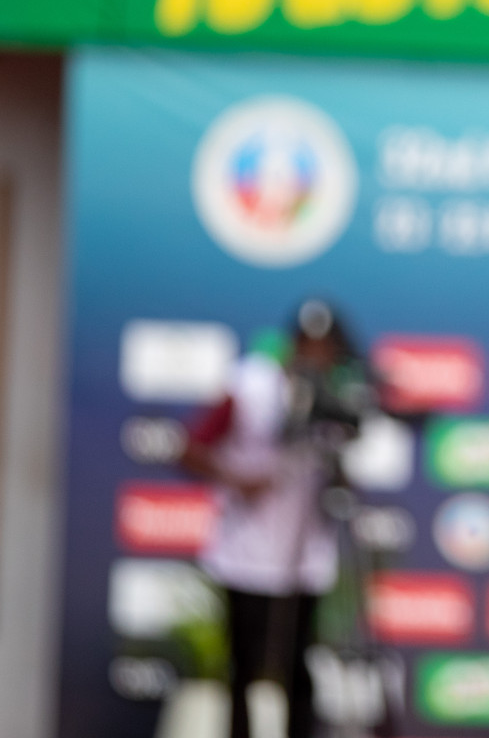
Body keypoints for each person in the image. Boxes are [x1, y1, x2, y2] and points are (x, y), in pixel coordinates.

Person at [180, 299, 358, 738]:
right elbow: (190, 447)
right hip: (246, 550)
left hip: (303, 556)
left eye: (325, 348)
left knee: (298, 668)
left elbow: (343, 476)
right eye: (307, 345)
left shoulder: (336, 395)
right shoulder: (250, 384)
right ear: (293, 343)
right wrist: (237, 479)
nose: (315, 356)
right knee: (244, 667)